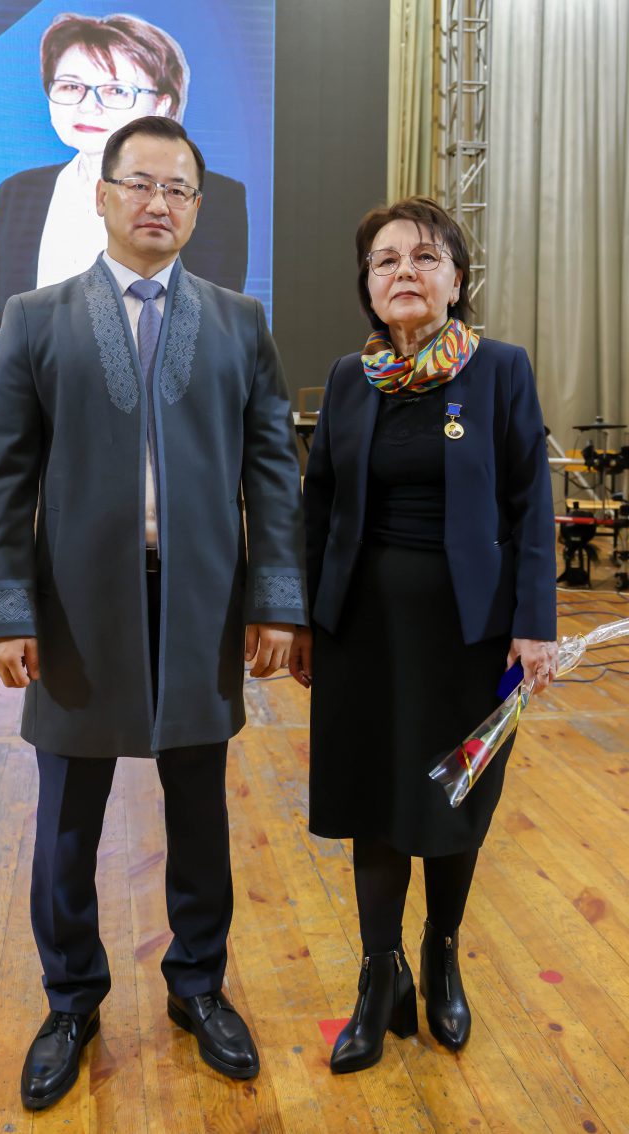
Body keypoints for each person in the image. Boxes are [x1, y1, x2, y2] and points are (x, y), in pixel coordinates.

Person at [0, 114, 306, 1109]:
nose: (159, 202)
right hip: (75, 609)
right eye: (141, 183)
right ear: (103, 194)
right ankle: (71, 999)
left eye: (179, 188)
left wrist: (274, 599)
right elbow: (4, 477)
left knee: (199, 809)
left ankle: (198, 985)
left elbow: (271, 473)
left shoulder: (241, 322)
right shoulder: (35, 318)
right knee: (67, 821)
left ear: (197, 207)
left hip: (201, 604)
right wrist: (4, 609)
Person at [289, 197, 557, 1072]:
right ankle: (379, 974)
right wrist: (306, 618)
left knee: (454, 798)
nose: (405, 271)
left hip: (470, 637)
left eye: (425, 257)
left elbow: (532, 503)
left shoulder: (500, 370)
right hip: (360, 631)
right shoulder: (348, 378)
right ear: (367, 286)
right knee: (372, 796)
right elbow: (320, 503)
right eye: (386, 260)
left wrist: (535, 626)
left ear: (456, 278)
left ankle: (441, 953)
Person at [0, 11, 248, 392]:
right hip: (24, 397)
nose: (87, 106)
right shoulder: (20, 191)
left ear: (162, 104)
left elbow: (212, 329)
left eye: (115, 91)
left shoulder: (215, 198)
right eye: (70, 86)